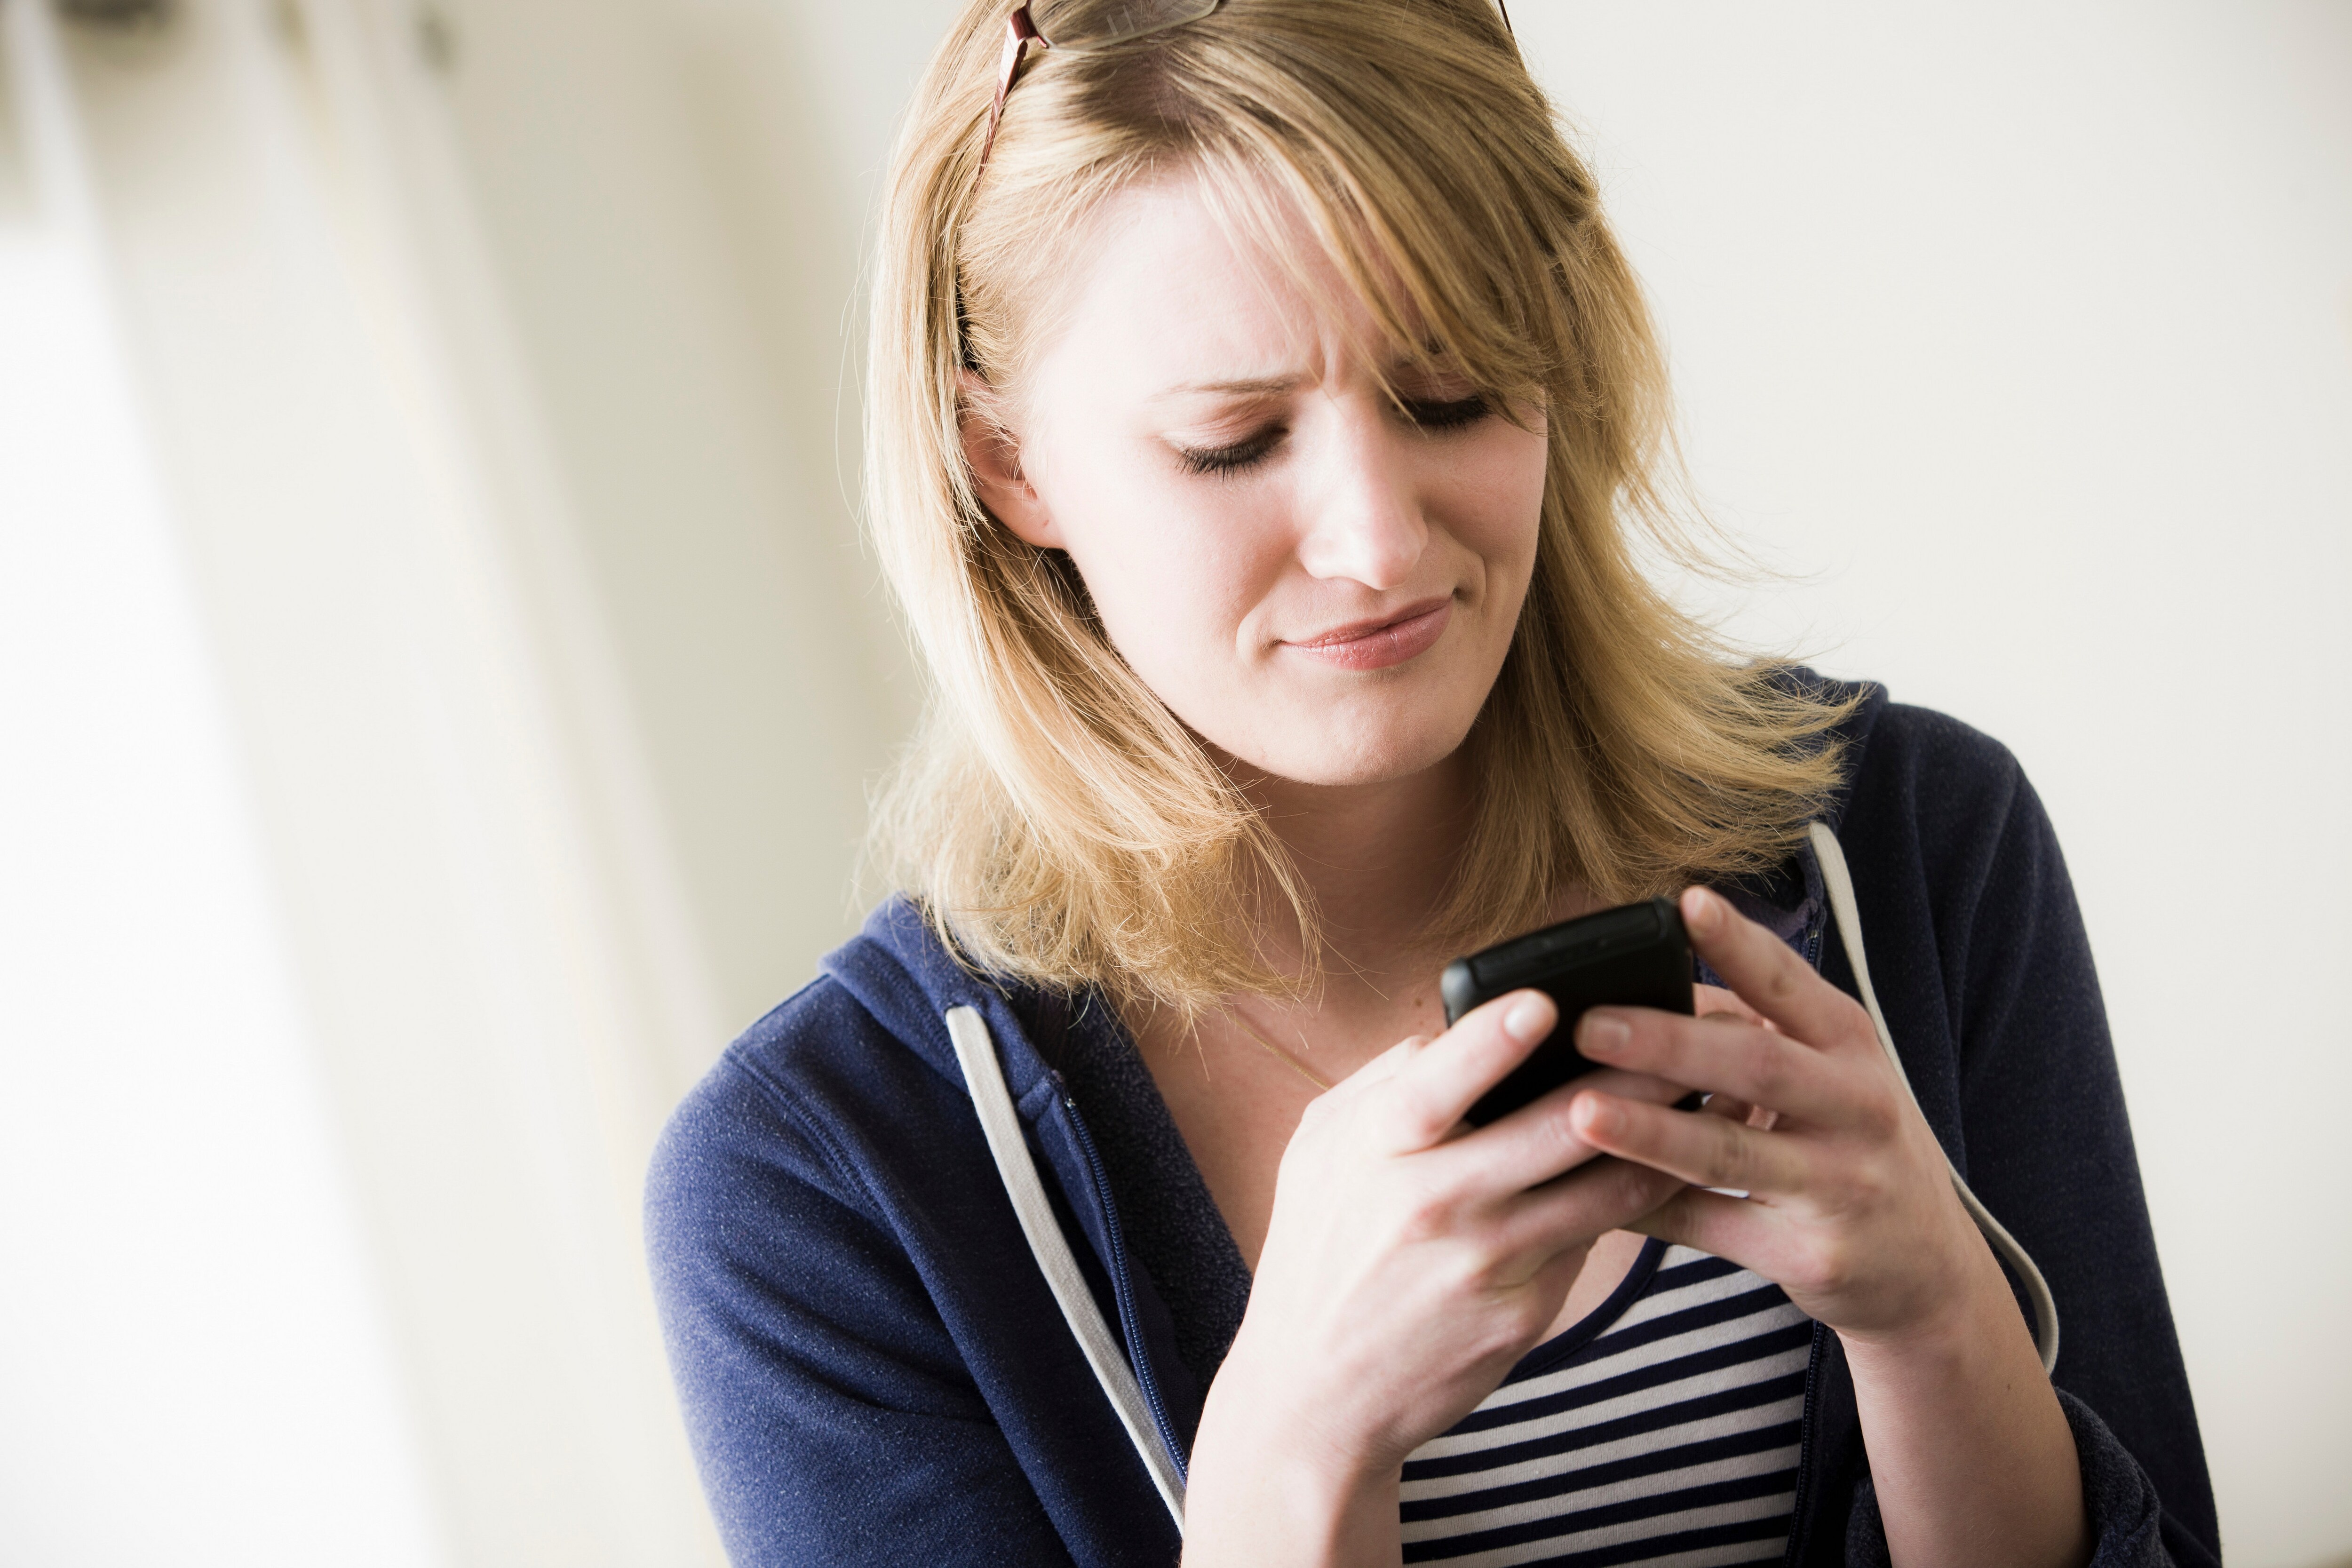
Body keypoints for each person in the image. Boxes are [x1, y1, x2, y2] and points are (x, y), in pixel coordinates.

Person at [645, 2, 2218, 1563]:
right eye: (1234, 440)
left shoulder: (1918, 852)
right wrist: (1298, 1449)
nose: (1381, 543)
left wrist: (1938, 1313)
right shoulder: (817, 1193)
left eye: (1451, 393)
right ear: (1006, 458)